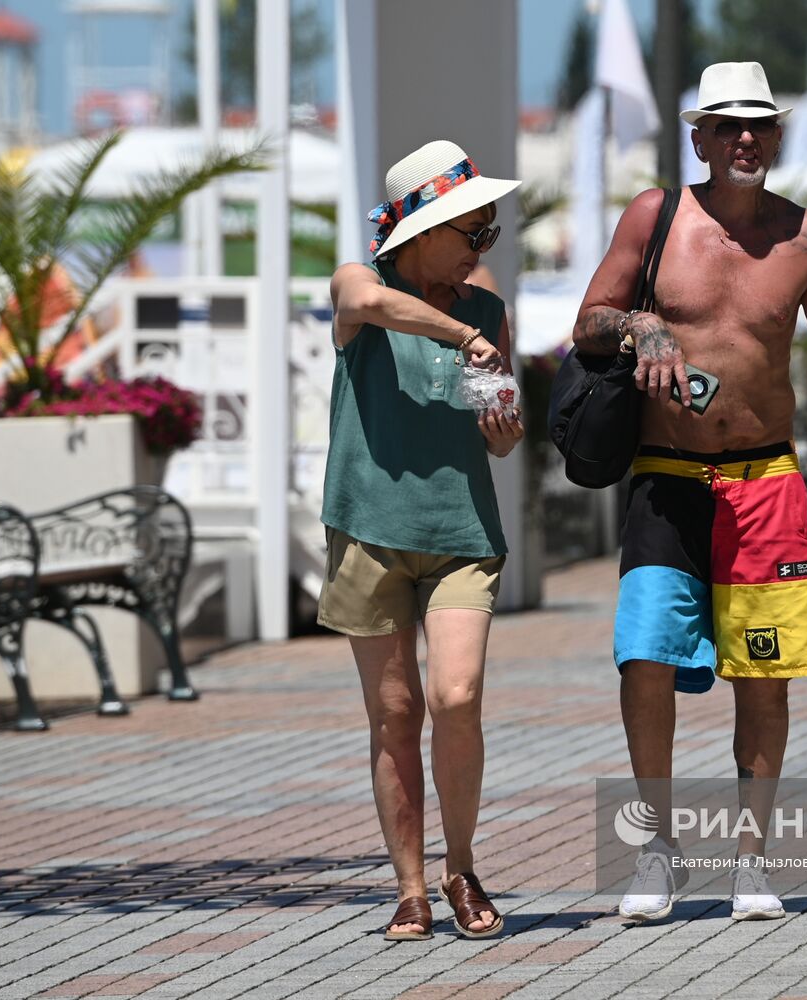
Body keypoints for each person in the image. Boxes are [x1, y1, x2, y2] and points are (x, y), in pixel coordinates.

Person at [572, 62, 807, 923]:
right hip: (668, 479)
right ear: (699, 138)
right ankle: (656, 848)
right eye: (727, 125)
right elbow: (586, 321)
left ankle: (750, 863)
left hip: (767, 480)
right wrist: (642, 320)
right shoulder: (657, 217)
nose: (745, 139)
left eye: (758, 125)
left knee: (765, 678)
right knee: (644, 657)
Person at [319, 139, 524, 942]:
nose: (481, 248)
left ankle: (461, 865)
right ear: (422, 232)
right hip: (368, 528)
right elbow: (374, 307)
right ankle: (410, 888)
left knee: (456, 696)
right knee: (394, 712)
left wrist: (502, 424)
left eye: (488, 233)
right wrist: (460, 336)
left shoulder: (488, 310)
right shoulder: (358, 284)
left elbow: (501, 440)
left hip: (460, 530)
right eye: (471, 232)